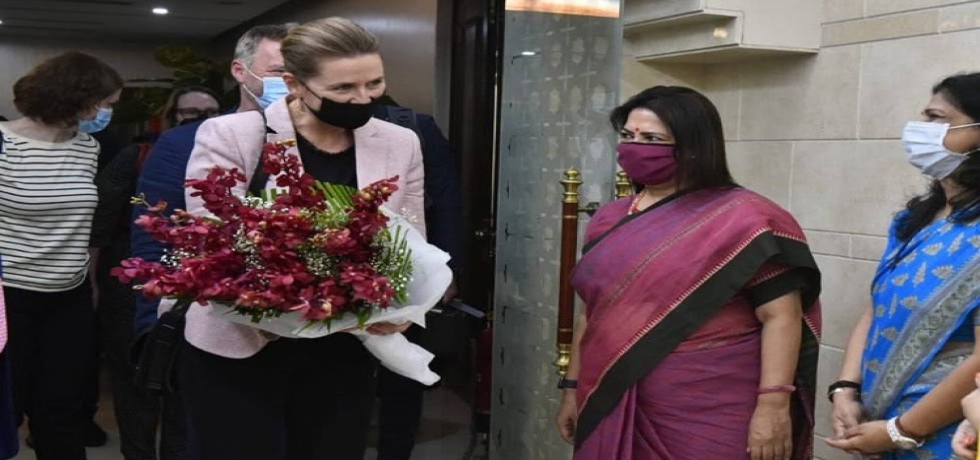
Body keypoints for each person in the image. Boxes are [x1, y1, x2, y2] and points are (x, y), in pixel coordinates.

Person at [177, 17, 424, 460]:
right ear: (294, 83)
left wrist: (403, 306)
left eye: (374, 83)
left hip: (344, 350)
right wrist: (278, 302)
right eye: (344, 88)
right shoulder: (232, 136)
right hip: (241, 345)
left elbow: (409, 240)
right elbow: (212, 239)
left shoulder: (399, 142)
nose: (363, 98)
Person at [555, 86, 822, 460]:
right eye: (628, 136)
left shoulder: (744, 219)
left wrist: (773, 406)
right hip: (613, 395)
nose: (635, 147)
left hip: (709, 409)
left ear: (694, 147)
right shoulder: (609, 220)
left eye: (652, 139)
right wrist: (572, 386)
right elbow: (593, 313)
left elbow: (781, 315)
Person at [827, 72, 980, 458]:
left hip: (948, 435)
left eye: (936, 118)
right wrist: (846, 388)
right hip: (879, 420)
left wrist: (901, 430)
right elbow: (878, 306)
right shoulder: (915, 221)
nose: (920, 130)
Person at [131, 23, 291, 343]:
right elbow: (154, 238)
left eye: (301, 72)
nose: (290, 82)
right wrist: (154, 327)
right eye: (279, 72)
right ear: (240, 71)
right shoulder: (182, 142)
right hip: (209, 325)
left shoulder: (317, 141)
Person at [89, 86, 223, 460]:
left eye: (211, 112)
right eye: (189, 112)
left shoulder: (231, 157)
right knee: (135, 380)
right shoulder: (139, 155)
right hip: (132, 281)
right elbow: (102, 221)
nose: (200, 120)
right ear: (170, 116)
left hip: (199, 286)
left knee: (184, 383)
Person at [0, 51, 122, 460]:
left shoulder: (87, 148)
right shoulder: (4, 144)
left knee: (62, 413)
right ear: (77, 97)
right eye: (105, 104)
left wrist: (88, 283)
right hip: (8, 297)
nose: (107, 113)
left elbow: (85, 225)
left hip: (68, 300)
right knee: (6, 408)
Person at [369, 94, 463, 460]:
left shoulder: (414, 127)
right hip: (330, 270)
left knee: (402, 375)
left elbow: (447, 200)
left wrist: (448, 271)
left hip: (408, 268)